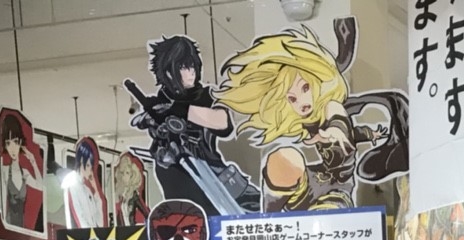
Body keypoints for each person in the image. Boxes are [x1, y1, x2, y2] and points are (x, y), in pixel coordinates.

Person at [215, 27, 407, 212]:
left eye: (305, 88)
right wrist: (368, 134)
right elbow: (355, 133)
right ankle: (270, 220)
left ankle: (289, 218)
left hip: (336, 190)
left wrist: (336, 130)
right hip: (310, 182)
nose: (301, 102)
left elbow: (338, 119)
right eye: (292, 99)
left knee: (324, 204)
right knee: (284, 158)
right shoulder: (307, 122)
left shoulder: (331, 107)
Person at [131, 35, 259, 215]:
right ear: (169, 71)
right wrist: (150, 119)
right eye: (184, 67)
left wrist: (179, 110)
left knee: (252, 208)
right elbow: (143, 123)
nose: (191, 72)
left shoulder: (206, 95)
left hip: (212, 171)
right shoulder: (159, 102)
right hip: (177, 172)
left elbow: (223, 122)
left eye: (192, 66)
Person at [0, 111, 44, 232]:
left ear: (19, 142)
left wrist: (33, 161)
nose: (12, 148)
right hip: (9, 225)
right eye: (8, 143)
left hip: (22, 226)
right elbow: (3, 202)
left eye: (15, 142)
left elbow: (41, 186)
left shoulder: (24, 173)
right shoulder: (4, 171)